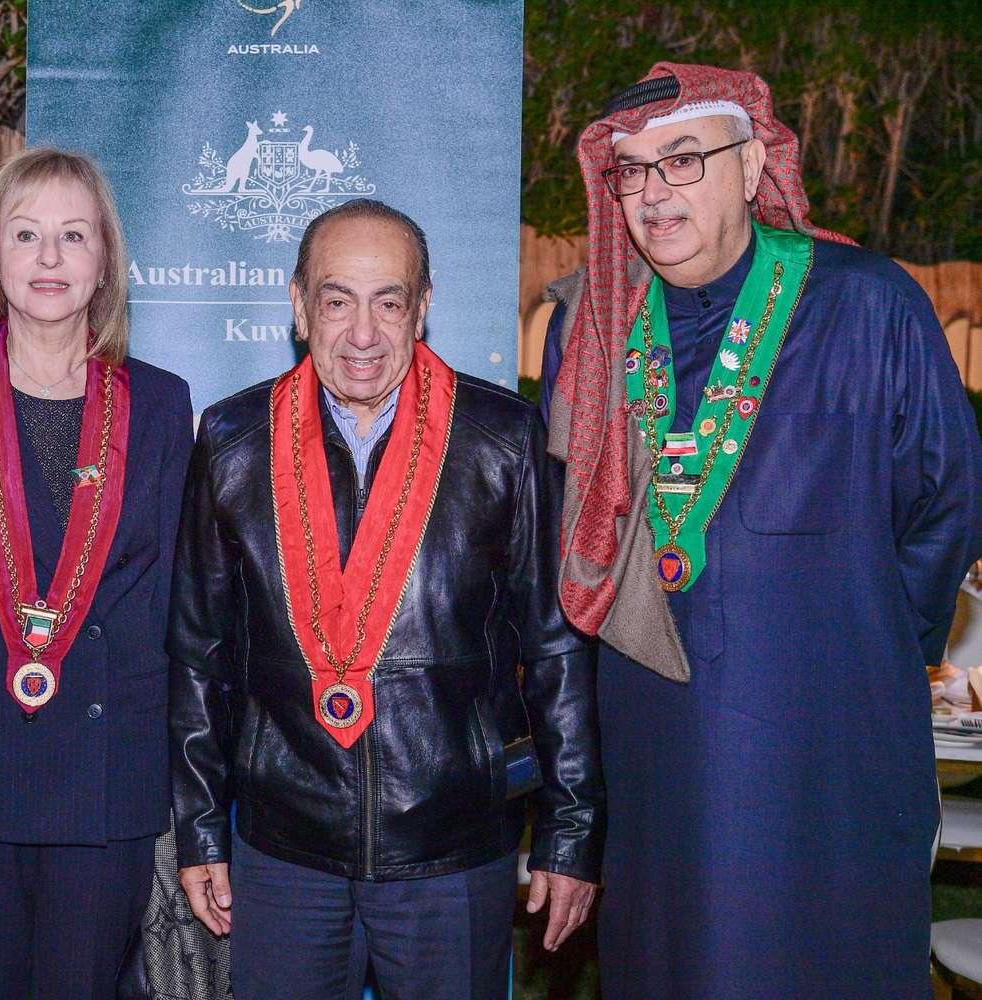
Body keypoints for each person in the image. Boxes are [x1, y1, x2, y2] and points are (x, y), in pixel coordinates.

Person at [540, 63, 982, 998]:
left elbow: (945, 507)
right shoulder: (593, 328)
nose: (653, 192)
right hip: (654, 745)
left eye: (683, 159)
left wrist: (856, 647)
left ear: (750, 167)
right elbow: (565, 535)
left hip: (830, 746)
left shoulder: (867, 302)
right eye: (631, 170)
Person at [169, 198, 602, 1000]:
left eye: (389, 302)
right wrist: (199, 829)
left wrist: (571, 831)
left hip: (451, 847)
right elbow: (199, 654)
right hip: (284, 848)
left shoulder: (505, 439)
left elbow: (557, 648)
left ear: (422, 307)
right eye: (337, 301)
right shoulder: (232, 441)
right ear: (300, 307)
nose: (362, 334)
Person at [0, 146, 193, 999]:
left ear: (105, 262)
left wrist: (178, 775)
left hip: (105, 769)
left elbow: (171, 600)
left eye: (74, 236)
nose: (50, 258)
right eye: (26, 234)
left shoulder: (161, 403)